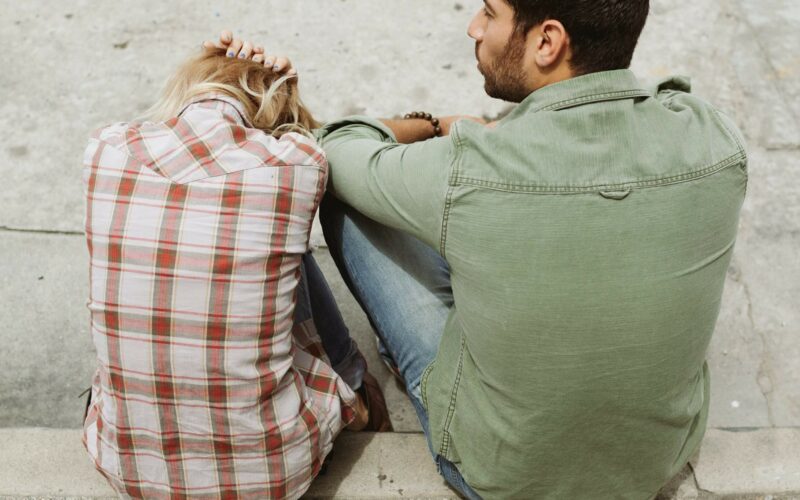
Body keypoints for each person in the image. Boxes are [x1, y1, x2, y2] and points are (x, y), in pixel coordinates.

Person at [216, 0, 749, 496]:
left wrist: (436, 125)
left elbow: (334, 146)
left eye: (490, 13)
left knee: (351, 200)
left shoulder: (471, 165)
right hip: (651, 467)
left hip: (496, 478)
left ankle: (379, 379)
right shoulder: (714, 139)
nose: (474, 26)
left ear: (548, 42)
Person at [82, 47, 391, 499]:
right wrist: (281, 84)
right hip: (273, 475)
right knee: (279, 251)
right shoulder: (295, 165)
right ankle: (359, 394)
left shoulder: (105, 151)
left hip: (128, 472)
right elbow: (304, 139)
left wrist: (207, 64)